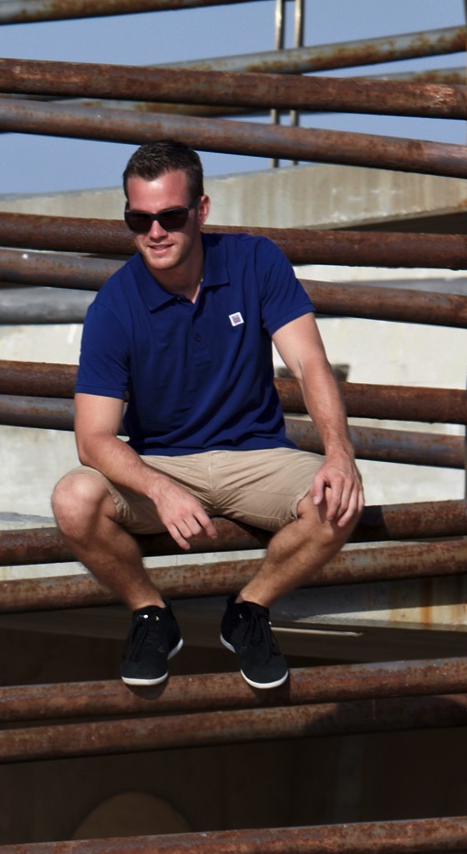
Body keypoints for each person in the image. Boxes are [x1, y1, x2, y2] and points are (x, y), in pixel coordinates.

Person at [49, 139, 365, 697]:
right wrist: (160, 489)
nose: (154, 232)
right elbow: (93, 438)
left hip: (257, 456)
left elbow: (309, 363)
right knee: (73, 500)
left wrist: (340, 455)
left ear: (201, 210)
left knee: (339, 502)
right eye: (139, 219)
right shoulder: (113, 306)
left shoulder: (255, 261)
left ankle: (249, 609)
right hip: (162, 466)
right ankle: (150, 613)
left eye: (170, 216)